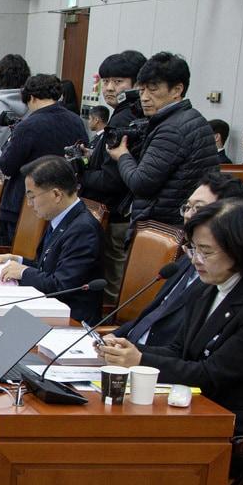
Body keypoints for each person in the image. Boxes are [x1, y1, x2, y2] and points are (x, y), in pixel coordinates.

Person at [99, 201, 243, 480]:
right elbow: (179, 350)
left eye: (206, 251)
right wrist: (129, 350)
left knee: (137, 453)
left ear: (240, 251)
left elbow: (211, 374)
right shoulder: (208, 289)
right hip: (206, 418)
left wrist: (141, 360)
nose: (195, 259)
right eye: (193, 248)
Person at [113, 171, 243, 347]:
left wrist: (139, 357)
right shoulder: (187, 258)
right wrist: (113, 336)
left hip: (157, 364)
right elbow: (153, 314)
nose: (188, 215)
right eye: (187, 207)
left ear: (230, 216)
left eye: (199, 209)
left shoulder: (223, 277)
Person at [106, 52, 218, 227]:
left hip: (163, 225)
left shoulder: (172, 129)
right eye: (142, 89)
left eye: (153, 89)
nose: (144, 97)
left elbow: (140, 183)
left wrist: (122, 156)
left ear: (177, 90)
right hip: (177, 222)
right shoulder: (189, 119)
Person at [0, 156, 103, 321]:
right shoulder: (63, 218)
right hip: (47, 308)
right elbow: (48, 269)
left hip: (70, 320)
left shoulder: (84, 229)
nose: (29, 204)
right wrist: (18, 260)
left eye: (32, 196)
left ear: (56, 194)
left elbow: (62, 285)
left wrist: (23, 272)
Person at [79, 50, 147, 303]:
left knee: (112, 282)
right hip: (117, 211)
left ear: (137, 84)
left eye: (118, 82)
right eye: (105, 81)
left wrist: (81, 172)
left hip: (116, 213)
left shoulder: (125, 116)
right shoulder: (127, 113)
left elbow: (111, 179)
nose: (109, 88)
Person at [0, 74, 90, 243]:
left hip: (26, 203)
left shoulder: (28, 125)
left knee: (17, 254)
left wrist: (10, 141)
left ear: (30, 97)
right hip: (64, 202)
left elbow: (7, 165)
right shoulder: (76, 121)